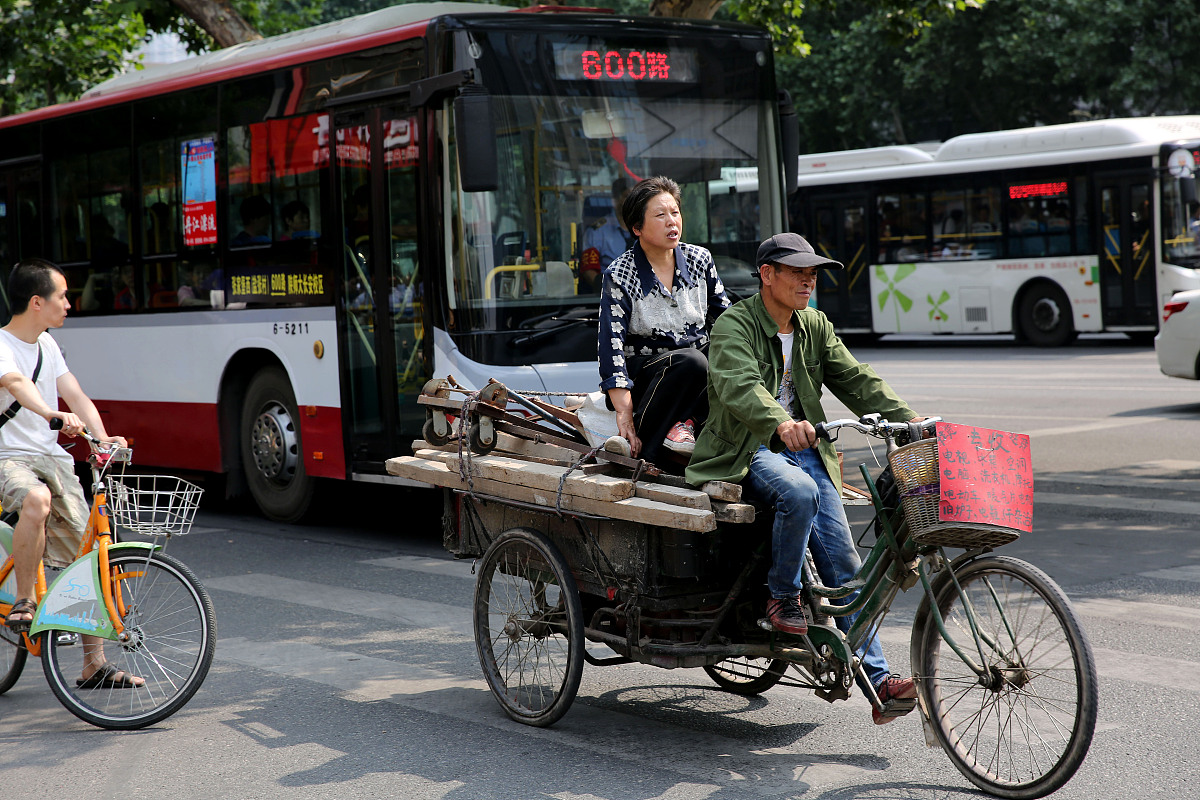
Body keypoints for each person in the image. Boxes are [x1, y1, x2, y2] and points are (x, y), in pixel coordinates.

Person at [686, 232, 924, 725]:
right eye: (797, 271)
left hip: (807, 446)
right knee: (798, 491)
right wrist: (779, 421)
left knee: (844, 562)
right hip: (744, 447)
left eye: (813, 272)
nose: (808, 279)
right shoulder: (735, 324)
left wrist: (910, 421)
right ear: (767, 275)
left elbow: (857, 379)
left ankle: (879, 684)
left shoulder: (814, 324)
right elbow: (738, 385)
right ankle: (783, 596)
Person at [0, 259, 142, 688]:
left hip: (52, 460)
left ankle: (93, 664)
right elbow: (15, 384)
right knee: (36, 500)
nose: (68, 304)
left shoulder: (47, 345)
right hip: (8, 457)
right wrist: (50, 414)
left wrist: (103, 440)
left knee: (89, 556)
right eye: (62, 296)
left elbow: (76, 394)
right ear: (37, 301)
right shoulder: (3, 344)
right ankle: (25, 601)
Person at [597, 175, 730, 466]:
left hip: (698, 376)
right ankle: (652, 448)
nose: (672, 221)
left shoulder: (700, 260)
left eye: (675, 212)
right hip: (650, 375)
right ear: (637, 228)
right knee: (693, 361)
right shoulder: (620, 274)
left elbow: (727, 320)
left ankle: (687, 424)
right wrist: (623, 411)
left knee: (729, 351)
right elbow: (611, 346)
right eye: (660, 215)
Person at [580, 177, 632, 291]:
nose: (632, 201)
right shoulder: (598, 231)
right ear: (615, 201)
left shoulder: (645, 228)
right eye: (627, 196)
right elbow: (589, 270)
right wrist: (606, 288)